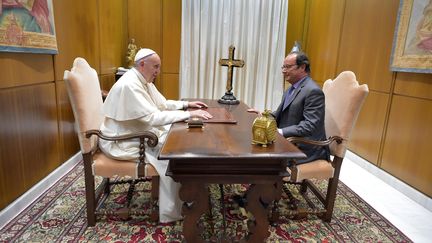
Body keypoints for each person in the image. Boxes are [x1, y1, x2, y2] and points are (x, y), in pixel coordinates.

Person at [99, 48, 213, 223]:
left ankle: (188, 192)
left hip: (135, 132)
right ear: (142, 64)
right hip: (120, 140)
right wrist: (190, 115)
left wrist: (187, 105)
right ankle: (172, 210)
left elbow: (163, 104)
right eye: (156, 67)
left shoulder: (143, 80)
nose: (158, 72)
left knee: (180, 139)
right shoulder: (130, 85)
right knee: (171, 155)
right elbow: (153, 118)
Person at [250, 51, 329, 164]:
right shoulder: (291, 88)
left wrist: (280, 132)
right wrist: (262, 115)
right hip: (288, 142)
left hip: (304, 148)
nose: (283, 71)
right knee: (254, 146)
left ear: (302, 67)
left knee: (260, 157)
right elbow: (280, 114)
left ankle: (260, 180)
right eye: (283, 67)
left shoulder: (313, 91)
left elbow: (309, 126)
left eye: (288, 67)